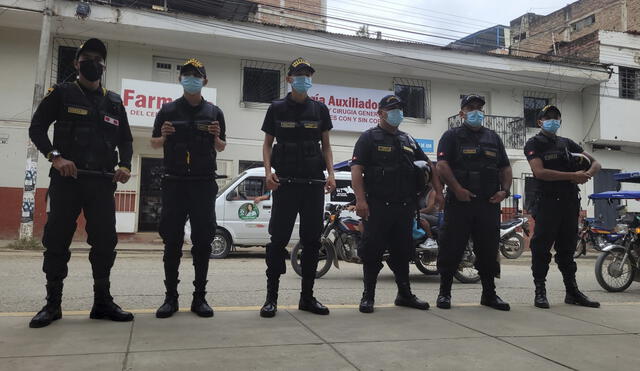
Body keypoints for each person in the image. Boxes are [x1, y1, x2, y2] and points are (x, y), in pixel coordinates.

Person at [28, 38, 134, 328]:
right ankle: (52, 305)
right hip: (67, 181)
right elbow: (37, 128)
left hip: (101, 183)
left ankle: (102, 303)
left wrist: (125, 165)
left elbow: (125, 139)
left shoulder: (113, 101)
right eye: (87, 58)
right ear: (76, 63)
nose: (94, 63)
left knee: (105, 243)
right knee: (57, 240)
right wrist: (55, 157)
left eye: (99, 59)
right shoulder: (61, 93)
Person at [351, 95, 444, 313]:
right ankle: (368, 296)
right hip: (377, 206)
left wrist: (439, 192)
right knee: (372, 252)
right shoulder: (368, 138)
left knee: (403, 252)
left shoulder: (408, 140)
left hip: (404, 207)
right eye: (392, 109)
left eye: (400, 108)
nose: (398, 113)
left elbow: (429, 166)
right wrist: (360, 200)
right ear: (380, 112)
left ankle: (404, 295)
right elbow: (357, 170)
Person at [259, 57, 336, 318]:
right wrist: (268, 173)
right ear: (289, 79)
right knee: (277, 240)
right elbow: (267, 144)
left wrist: (332, 175)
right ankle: (271, 299)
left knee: (312, 242)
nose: (304, 78)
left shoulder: (320, 110)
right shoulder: (277, 108)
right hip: (285, 184)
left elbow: (326, 146)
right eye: (299, 74)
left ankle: (307, 297)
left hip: (313, 184)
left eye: (308, 74)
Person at [151, 58, 226, 318]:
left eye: (196, 75)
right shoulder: (167, 110)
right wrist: (164, 135)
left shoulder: (215, 112)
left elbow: (221, 147)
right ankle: (170, 298)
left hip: (203, 184)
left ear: (204, 81)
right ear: (179, 79)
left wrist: (216, 137)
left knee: (202, 241)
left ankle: (199, 298)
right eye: (186, 75)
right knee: (172, 241)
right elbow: (154, 143)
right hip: (174, 182)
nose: (191, 78)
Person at [436, 94, 512, 311]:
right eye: (471, 107)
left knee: (488, 250)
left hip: (488, 203)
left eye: (479, 108)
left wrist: (504, 192)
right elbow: (441, 165)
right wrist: (457, 189)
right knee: (452, 248)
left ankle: (489, 294)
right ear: (462, 113)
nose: (476, 111)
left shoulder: (493, 138)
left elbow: (505, 168)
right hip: (460, 203)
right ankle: (445, 293)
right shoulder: (451, 136)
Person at [524, 105, 601, 308]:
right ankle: (540, 291)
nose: (552, 120)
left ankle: (572, 292)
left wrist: (585, 176)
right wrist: (572, 176)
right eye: (548, 117)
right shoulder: (534, 143)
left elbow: (596, 163)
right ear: (539, 121)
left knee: (567, 249)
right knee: (541, 249)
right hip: (547, 202)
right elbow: (539, 172)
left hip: (569, 203)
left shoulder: (567, 143)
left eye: (556, 117)